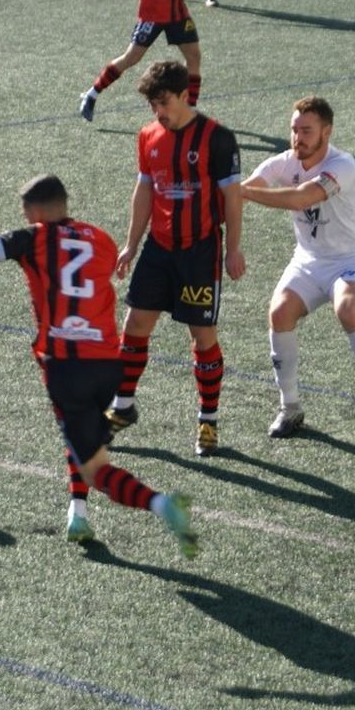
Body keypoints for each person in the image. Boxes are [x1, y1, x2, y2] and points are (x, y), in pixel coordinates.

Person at [0, 175, 199, 558]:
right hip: (110, 362)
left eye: (25, 211)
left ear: (36, 211)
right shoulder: (102, 239)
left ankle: (163, 506)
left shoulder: (33, 238)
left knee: (96, 468)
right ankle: (78, 514)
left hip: (65, 364)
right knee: (81, 439)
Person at [240, 96, 355, 437]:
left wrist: (237, 193)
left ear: (326, 132)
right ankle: (290, 408)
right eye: (293, 130)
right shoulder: (282, 163)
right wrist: (224, 194)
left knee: (347, 309)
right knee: (279, 313)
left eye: (306, 130)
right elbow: (245, 190)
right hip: (308, 261)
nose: (297, 138)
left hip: (350, 259)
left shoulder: (343, 165)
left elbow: (302, 197)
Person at [104, 61, 243, 458]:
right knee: (134, 325)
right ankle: (124, 406)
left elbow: (233, 199)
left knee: (201, 336)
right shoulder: (148, 135)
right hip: (159, 248)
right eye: (152, 104)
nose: (157, 112)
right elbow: (145, 190)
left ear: (185, 95)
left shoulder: (218, 138)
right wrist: (131, 244)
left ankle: (208, 421)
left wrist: (233, 248)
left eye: (163, 102)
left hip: (200, 252)